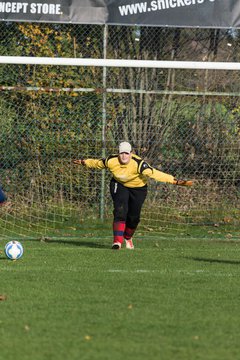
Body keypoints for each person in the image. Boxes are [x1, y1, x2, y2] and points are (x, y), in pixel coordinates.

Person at [73, 141, 193, 250]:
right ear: (118, 154)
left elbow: (156, 174)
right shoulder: (111, 161)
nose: (124, 156)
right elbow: (97, 163)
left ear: (131, 153)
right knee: (120, 210)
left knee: (134, 217)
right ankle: (117, 242)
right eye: (121, 153)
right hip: (119, 185)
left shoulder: (139, 164)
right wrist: (84, 162)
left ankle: (128, 237)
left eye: (126, 153)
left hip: (138, 189)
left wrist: (175, 181)